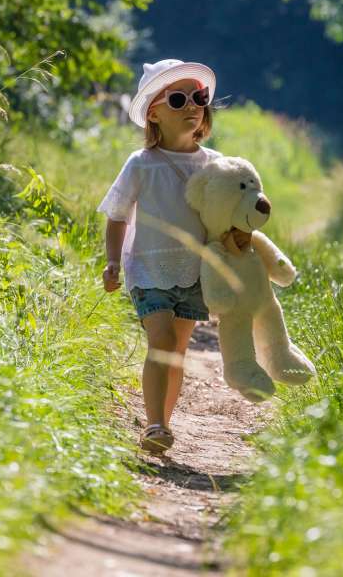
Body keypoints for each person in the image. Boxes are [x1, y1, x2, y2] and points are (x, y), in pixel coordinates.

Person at [97, 59, 250, 454]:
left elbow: (225, 215)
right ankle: (154, 423)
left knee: (177, 352)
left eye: (198, 98)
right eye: (178, 99)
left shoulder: (213, 165)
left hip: (194, 272)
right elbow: (117, 217)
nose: (191, 107)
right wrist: (113, 261)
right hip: (147, 268)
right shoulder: (141, 165)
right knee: (161, 341)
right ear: (153, 113)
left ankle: (162, 424)